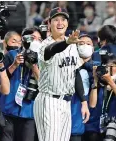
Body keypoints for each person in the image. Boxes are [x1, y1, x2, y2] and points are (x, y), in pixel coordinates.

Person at [33, 7, 90, 141]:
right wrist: (66, 42)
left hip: (66, 102)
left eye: (63, 19)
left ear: (67, 23)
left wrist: (84, 102)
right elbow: (51, 50)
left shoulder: (72, 44)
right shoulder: (45, 45)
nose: (60, 23)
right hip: (49, 100)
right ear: (49, 24)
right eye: (56, 20)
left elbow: (74, 73)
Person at [0, 27, 41, 141]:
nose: (36, 41)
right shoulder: (12, 54)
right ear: (24, 40)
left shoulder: (42, 60)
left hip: (29, 111)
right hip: (8, 108)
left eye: (39, 39)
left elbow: (43, 84)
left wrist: (34, 66)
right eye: (33, 38)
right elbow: (0, 79)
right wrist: (15, 64)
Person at [85, 53, 116, 140]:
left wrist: (110, 82)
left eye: (111, 66)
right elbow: (92, 104)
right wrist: (95, 80)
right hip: (97, 125)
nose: (108, 69)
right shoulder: (98, 79)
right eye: (105, 66)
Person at [70, 34, 94, 141]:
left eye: (88, 44)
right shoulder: (68, 67)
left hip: (93, 120)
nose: (85, 46)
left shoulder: (96, 69)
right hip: (72, 114)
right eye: (81, 43)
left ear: (93, 49)